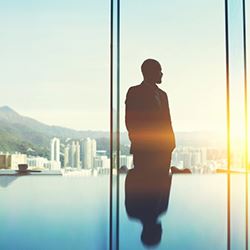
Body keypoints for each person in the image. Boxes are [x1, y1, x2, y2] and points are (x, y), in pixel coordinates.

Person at [125, 59, 175, 172]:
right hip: (144, 151)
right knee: (146, 185)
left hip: (164, 150)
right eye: (159, 70)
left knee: (162, 185)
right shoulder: (134, 92)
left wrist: (171, 143)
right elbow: (130, 121)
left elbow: (168, 121)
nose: (162, 73)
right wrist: (139, 143)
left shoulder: (163, 95)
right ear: (150, 72)